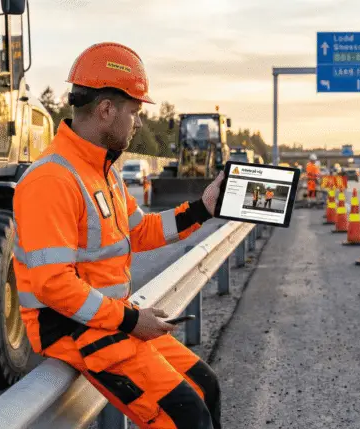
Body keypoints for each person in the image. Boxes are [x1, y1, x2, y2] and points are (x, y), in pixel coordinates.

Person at [12, 42, 223, 429]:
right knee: (188, 416)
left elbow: (141, 231)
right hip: (74, 330)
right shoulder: (51, 180)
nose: (138, 123)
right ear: (107, 111)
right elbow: (54, 286)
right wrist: (129, 320)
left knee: (206, 387)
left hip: (109, 321)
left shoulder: (101, 172)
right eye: (134, 112)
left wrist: (203, 208)